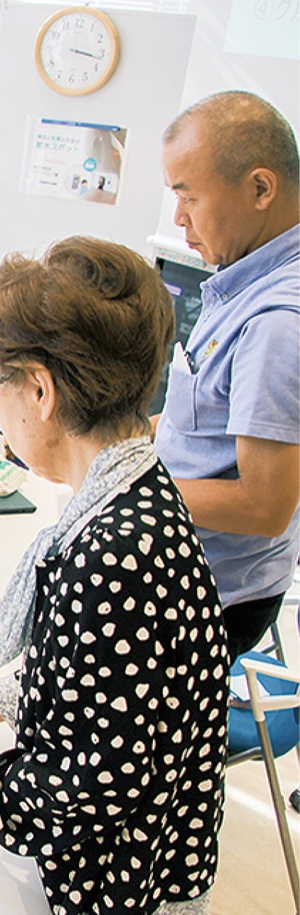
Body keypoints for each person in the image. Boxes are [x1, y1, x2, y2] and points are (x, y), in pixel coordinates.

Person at [0, 238, 228, 915]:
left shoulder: (111, 554)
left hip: (126, 884)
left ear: (39, 390)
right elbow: (105, 675)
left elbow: (94, 779)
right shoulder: (139, 490)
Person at [156, 91, 300, 661]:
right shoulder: (245, 276)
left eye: (189, 196)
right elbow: (202, 423)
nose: (179, 218)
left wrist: (128, 491)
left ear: (260, 189)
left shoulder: (277, 324)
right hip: (186, 552)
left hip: (213, 592)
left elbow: (264, 507)